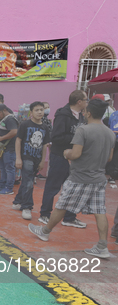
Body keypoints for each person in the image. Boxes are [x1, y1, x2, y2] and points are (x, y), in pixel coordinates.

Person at [28, 99, 115, 258]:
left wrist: (66, 153)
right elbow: (109, 158)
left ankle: (45, 231)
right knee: (100, 211)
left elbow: (75, 154)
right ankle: (102, 246)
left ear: (88, 112)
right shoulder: (109, 133)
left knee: (62, 205)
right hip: (98, 177)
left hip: (80, 176)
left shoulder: (83, 130)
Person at [38, 90, 88, 228]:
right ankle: (45, 214)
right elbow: (57, 137)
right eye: (85, 99)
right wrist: (77, 140)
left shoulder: (81, 117)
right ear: (79, 101)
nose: (86, 102)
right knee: (53, 186)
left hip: (74, 157)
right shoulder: (63, 115)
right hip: (60, 156)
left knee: (73, 188)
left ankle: (69, 217)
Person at [12, 102, 50, 220]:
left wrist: (43, 160)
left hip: (37, 158)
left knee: (27, 181)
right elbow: (18, 140)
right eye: (37, 110)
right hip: (26, 157)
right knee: (29, 182)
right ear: (31, 112)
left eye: (41, 110)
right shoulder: (25, 125)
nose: (40, 112)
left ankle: (17, 201)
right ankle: (27, 206)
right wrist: (18, 158)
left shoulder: (45, 127)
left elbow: (44, 145)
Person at [0, 104, 18, 195]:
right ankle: (2, 184)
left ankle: (9, 187)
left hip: (9, 148)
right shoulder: (2, 119)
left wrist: (1, 138)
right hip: (2, 148)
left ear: (4, 110)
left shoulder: (10, 119)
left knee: (9, 168)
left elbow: (14, 131)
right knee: (2, 167)